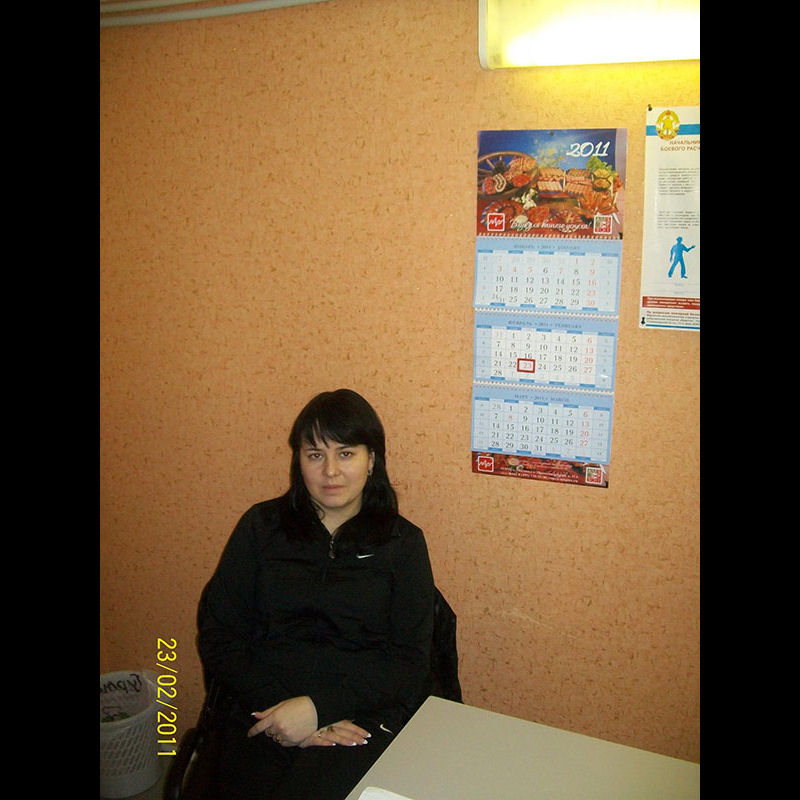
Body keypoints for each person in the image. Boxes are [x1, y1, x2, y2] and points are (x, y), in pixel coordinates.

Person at [197, 389, 435, 799]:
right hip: (263, 704)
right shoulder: (260, 527)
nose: (330, 471)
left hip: (358, 715)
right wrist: (283, 712)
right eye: (315, 455)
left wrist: (318, 709)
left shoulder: (403, 544)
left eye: (346, 454)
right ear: (299, 461)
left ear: (372, 459)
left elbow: (409, 662)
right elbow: (220, 636)